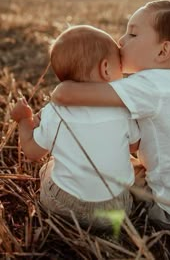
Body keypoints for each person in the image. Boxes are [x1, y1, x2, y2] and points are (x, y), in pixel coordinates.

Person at [51, 0, 170, 234]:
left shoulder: (147, 87)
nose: (121, 41)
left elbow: (66, 94)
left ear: (163, 51)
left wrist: (68, 83)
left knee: (89, 171)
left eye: (132, 34)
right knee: (130, 164)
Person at [10, 25, 140, 228]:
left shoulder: (54, 111)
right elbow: (133, 147)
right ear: (106, 69)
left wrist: (23, 120)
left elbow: (33, 152)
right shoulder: (123, 109)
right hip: (115, 209)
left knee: (47, 167)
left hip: (64, 205)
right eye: (120, 66)